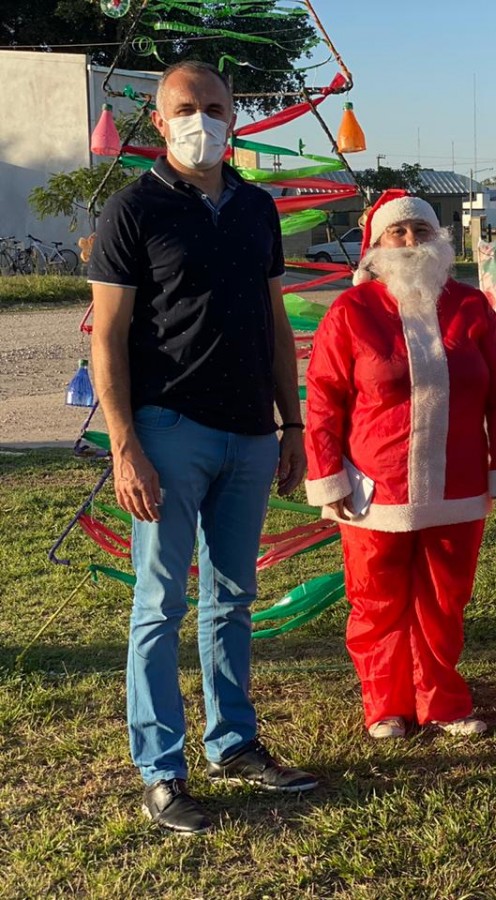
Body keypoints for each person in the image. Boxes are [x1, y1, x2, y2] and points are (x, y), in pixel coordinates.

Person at [88, 61, 317, 836]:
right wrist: (125, 445)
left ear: (234, 115)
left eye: (215, 107)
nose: (202, 120)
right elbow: (109, 338)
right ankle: (161, 771)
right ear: (160, 120)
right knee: (159, 603)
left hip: (253, 433)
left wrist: (292, 425)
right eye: (186, 108)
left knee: (232, 598)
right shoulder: (134, 210)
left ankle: (236, 742)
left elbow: (277, 325)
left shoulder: (257, 208)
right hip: (169, 430)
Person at [304, 191, 496, 740]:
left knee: (444, 599)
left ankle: (441, 700)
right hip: (375, 488)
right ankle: (386, 704)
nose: (409, 242)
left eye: (419, 232)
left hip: (459, 482)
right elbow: (324, 399)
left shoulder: (472, 310)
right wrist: (327, 475)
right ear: (376, 246)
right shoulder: (350, 312)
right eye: (396, 233)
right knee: (377, 599)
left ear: (439, 241)